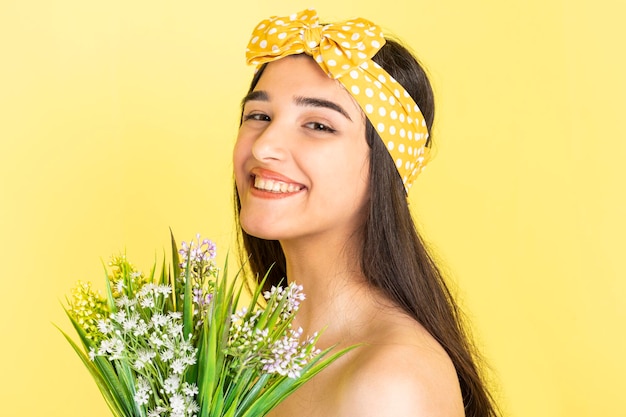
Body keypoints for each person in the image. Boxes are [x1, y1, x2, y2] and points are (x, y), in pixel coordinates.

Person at [233, 8, 499, 417]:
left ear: (385, 167)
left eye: (319, 125)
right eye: (259, 116)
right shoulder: (240, 349)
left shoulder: (391, 381)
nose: (264, 146)